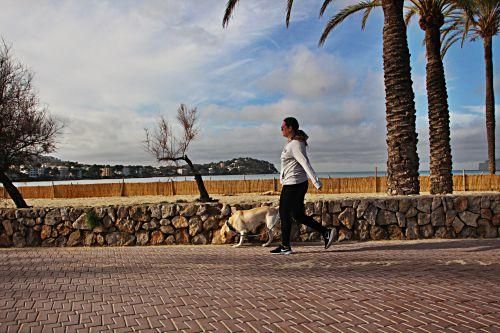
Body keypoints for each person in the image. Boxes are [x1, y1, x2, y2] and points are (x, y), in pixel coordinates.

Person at [271, 117, 335, 255]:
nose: (281, 129)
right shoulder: (292, 143)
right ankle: (326, 232)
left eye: (283, 127)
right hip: (294, 183)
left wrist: (316, 182)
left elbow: (305, 163)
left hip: (293, 184)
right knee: (297, 215)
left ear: (290, 128)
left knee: (284, 214)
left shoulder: (295, 144)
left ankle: (285, 246)